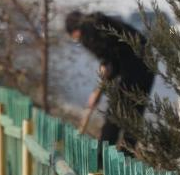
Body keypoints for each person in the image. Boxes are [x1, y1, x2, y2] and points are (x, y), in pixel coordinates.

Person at [65, 11, 155, 151]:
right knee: (134, 117)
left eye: (74, 38)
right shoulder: (95, 23)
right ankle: (126, 158)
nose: (77, 41)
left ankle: (103, 157)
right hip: (147, 64)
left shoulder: (88, 31)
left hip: (135, 65)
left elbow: (110, 61)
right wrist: (102, 81)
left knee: (116, 115)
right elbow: (112, 60)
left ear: (75, 32)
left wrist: (99, 89)